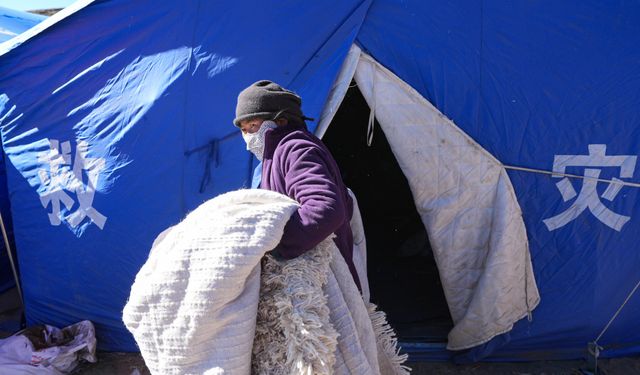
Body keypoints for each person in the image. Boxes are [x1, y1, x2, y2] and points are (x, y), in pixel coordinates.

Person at [233, 80, 361, 290]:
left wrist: (275, 247)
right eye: (244, 130)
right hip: (306, 281)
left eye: (254, 126)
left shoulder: (296, 149)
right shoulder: (271, 158)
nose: (249, 137)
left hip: (320, 283)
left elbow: (326, 208)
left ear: (280, 121)